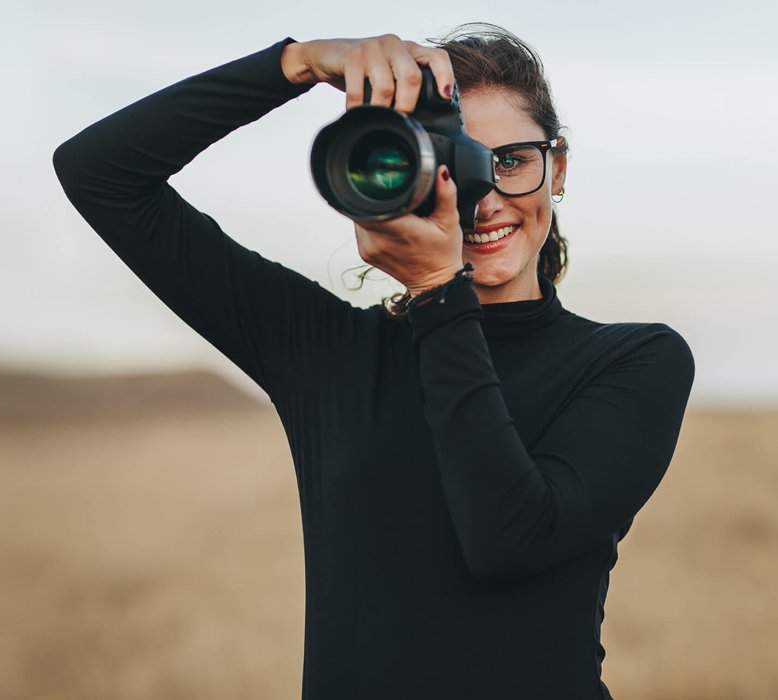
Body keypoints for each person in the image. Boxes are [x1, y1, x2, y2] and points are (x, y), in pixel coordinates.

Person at [52, 24, 694, 700]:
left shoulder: (633, 361)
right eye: (453, 163)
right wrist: (297, 64)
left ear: (557, 168)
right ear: (392, 178)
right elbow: (100, 174)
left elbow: (511, 539)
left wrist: (439, 294)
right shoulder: (325, 353)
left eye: (511, 161)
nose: (483, 195)